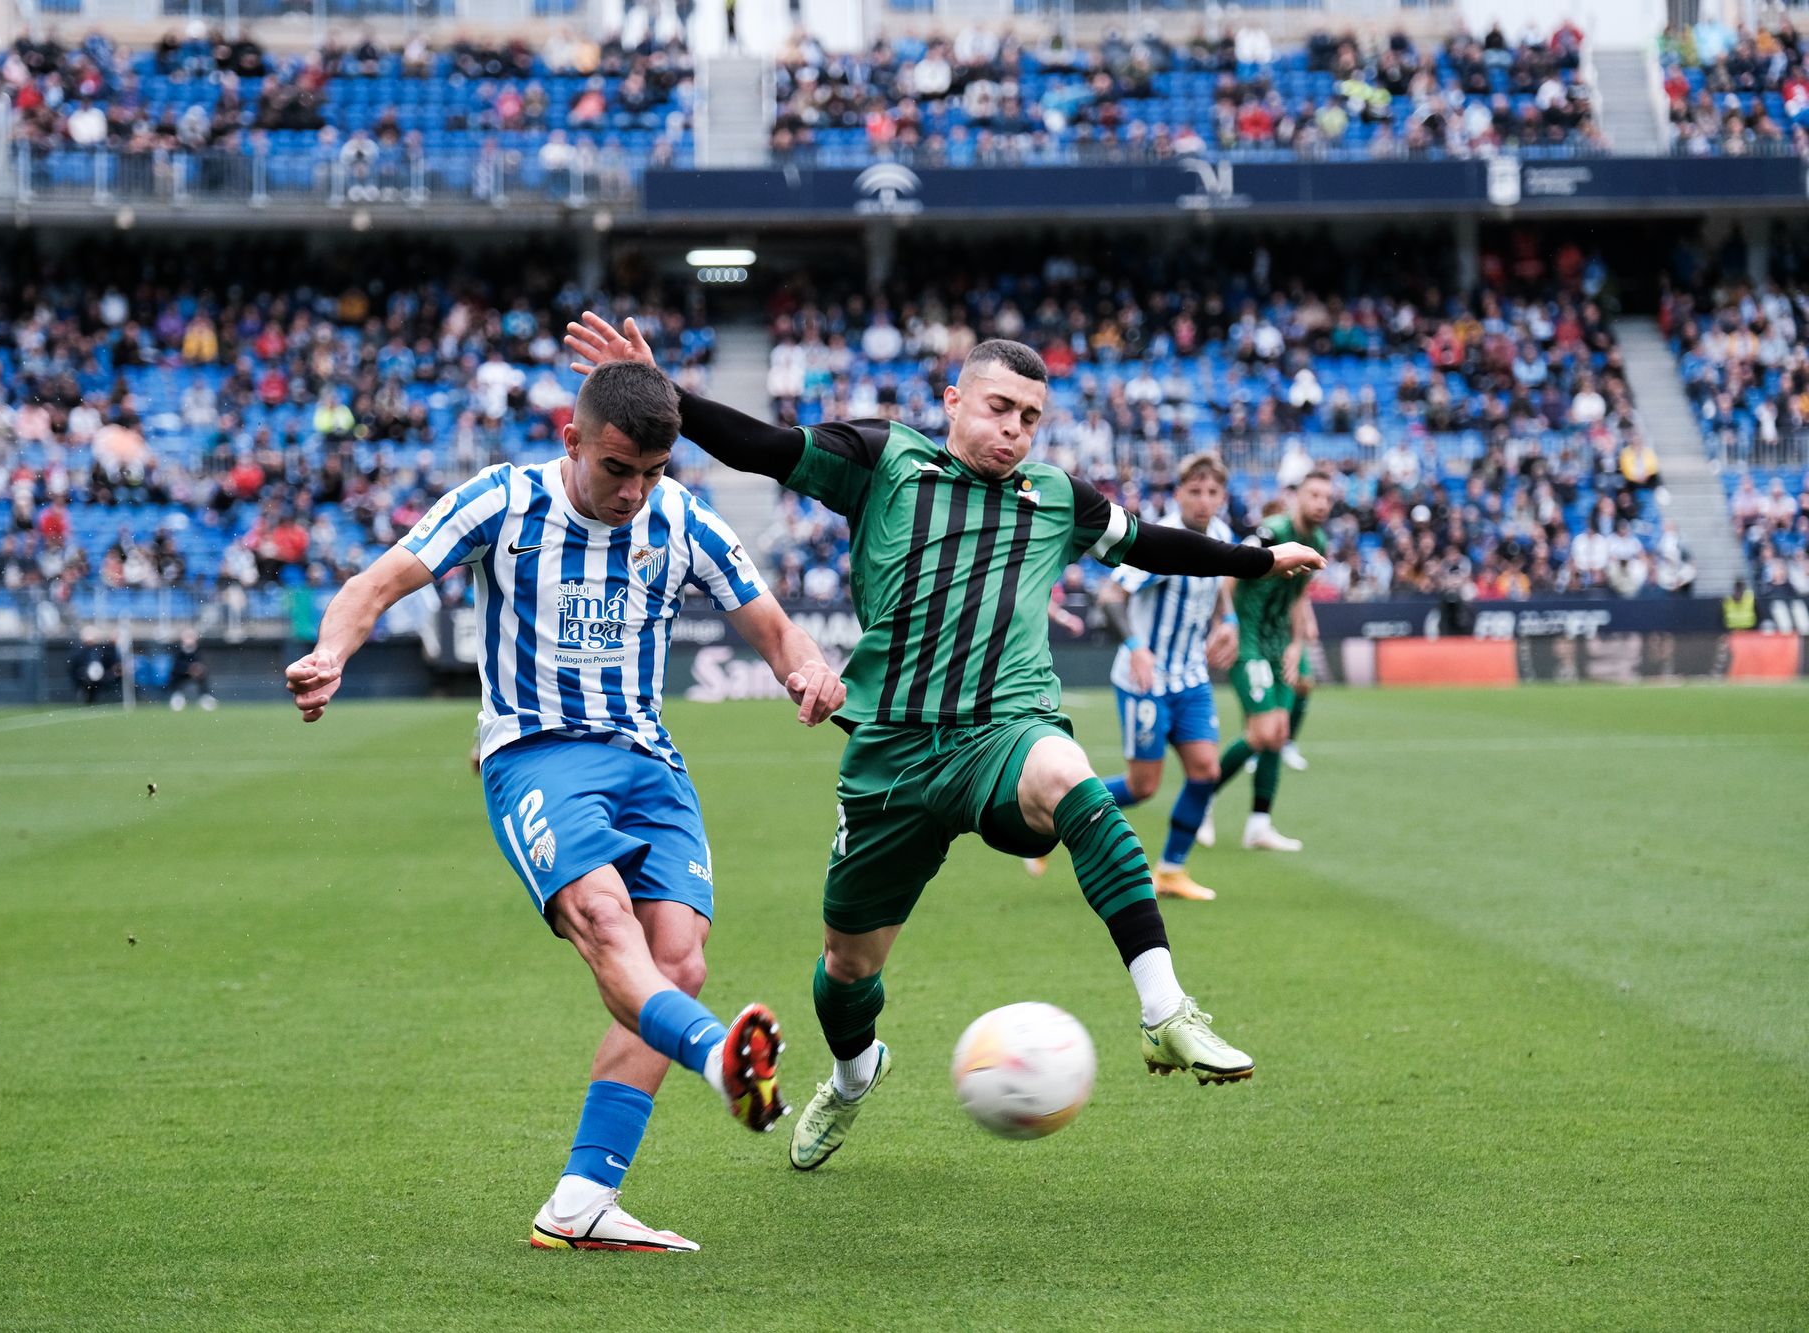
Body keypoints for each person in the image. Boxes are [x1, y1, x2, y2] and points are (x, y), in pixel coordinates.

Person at [565, 315, 1324, 1174]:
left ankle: (1166, 1009)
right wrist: (669, 395)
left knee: (1071, 776)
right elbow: (762, 448)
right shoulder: (885, 461)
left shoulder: (1054, 498)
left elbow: (1152, 541)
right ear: (954, 400)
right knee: (847, 969)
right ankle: (854, 1075)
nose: (1014, 430)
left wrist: (1256, 564)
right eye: (1000, 407)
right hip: (890, 755)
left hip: (1002, 731)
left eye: (1031, 418)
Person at [284, 361, 847, 1252]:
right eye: (619, 468)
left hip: (650, 764)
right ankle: (717, 1058)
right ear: (573, 440)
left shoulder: (682, 520)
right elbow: (378, 583)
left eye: (653, 472)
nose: (635, 491)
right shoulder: (501, 503)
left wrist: (807, 669)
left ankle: (581, 1201)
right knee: (602, 917)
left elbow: (776, 628)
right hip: (537, 755)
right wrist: (331, 652)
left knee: (680, 964)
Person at [1027, 452, 1239, 900]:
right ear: (1178, 493)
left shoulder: (1221, 534)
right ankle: (1049, 818)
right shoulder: (1161, 541)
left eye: (1213, 492)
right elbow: (1111, 594)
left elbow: (1219, 585)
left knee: (1206, 771)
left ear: (1223, 496)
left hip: (1191, 677)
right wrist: (1137, 646)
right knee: (1144, 786)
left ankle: (1171, 870)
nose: (1204, 500)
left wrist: (1229, 623)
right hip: (1145, 680)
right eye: (1194, 491)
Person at [1204, 477, 1333, 852]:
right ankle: (1202, 797)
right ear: (1298, 498)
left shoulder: (1320, 542)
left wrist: (1296, 645)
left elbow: (1297, 598)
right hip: (1249, 642)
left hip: (1279, 647)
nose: (1321, 503)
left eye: (1328, 497)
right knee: (1262, 733)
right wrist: (1224, 624)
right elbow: (1228, 574)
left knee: (1277, 736)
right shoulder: (1272, 531)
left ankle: (1259, 826)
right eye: (1314, 495)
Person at [69, 626, 123, 706]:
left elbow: (109, 659)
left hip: (99, 679)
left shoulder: (99, 649)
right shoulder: (80, 651)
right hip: (85, 679)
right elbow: (74, 667)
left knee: (95, 694)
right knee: (88, 694)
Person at [166, 629, 216, 711]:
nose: (189, 640)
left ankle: (205, 697)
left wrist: (199, 669)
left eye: (191, 637)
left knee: (203, 679)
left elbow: (203, 663)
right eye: (187, 637)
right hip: (181, 674)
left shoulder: (198, 649)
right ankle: (177, 697)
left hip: (196, 674)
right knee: (175, 680)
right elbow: (176, 666)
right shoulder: (178, 650)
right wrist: (188, 668)